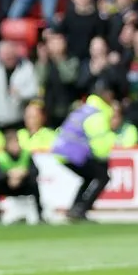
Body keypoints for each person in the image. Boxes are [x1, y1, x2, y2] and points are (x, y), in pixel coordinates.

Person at [51, 82, 116, 221]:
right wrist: (105, 157)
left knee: (89, 177)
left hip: (61, 150)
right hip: (73, 152)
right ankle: (81, 209)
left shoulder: (85, 109)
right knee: (103, 176)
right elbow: (100, 144)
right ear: (106, 95)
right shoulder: (97, 114)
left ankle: (75, 209)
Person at [0, 129, 43, 224]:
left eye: (17, 142)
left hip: (23, 185)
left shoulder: (26, 154)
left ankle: (40, 215)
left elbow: (35, 171)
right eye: (13, 143)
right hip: (8, 186)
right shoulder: (1, 157)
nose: (16, 146)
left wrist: (23, 174)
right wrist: (9, 174)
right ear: (7, 145)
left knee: (34, 184)